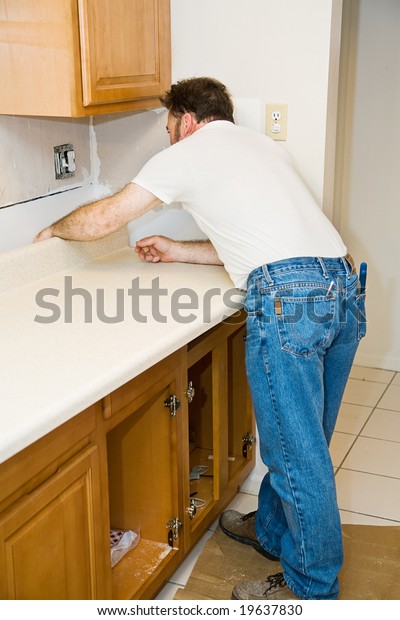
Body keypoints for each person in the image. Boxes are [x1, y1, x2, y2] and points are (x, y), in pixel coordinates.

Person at [35, 77, 366, 600]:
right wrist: (175, 248)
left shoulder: (189, 152)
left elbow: (102, 218)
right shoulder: (261, 148)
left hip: (290, 300)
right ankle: (273, 532)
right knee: (306, 443)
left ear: (187, 120)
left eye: (169, 129)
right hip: (342, 285)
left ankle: (312, 589)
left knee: (296, 457)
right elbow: (259, 244)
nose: (170, 140)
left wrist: (51, 234)